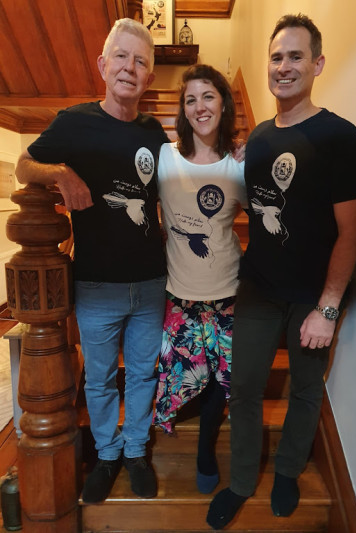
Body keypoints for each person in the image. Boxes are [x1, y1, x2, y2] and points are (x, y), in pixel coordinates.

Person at [207, 13, 356, 529]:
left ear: (317, 64)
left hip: (312, 295)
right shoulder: (256, 137)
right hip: (258, 286)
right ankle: (239, 481)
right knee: (244, 387)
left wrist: (326, 308)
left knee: (304, 389)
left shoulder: (338, 136)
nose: (284, 66)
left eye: (296, 56)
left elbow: (353, 232)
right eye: (276, 57)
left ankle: (286, 471)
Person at [15, 18, 170, 504]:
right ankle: (107, 454)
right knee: (100, 377)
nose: (130, 67)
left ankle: (136, 452)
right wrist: (60, 173)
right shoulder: (73, 122)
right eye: (122, 57)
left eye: (141, 61)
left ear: (148, 78)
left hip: (150, 283)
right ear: (103, 65)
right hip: (96, 286)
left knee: (143, 373)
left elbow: (174, 191)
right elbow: (24, 164)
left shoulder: (154, 133)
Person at [153, 64, 247, 494]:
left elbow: (263, 220)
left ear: (224, 103)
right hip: (182, 296)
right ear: (183, 110)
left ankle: (206, 450)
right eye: (190, 99)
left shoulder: (239, 165)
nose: (199, 106)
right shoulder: (164, 157)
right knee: (190, 374)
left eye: (208, 96)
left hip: (228, 293)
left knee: (221, 380)